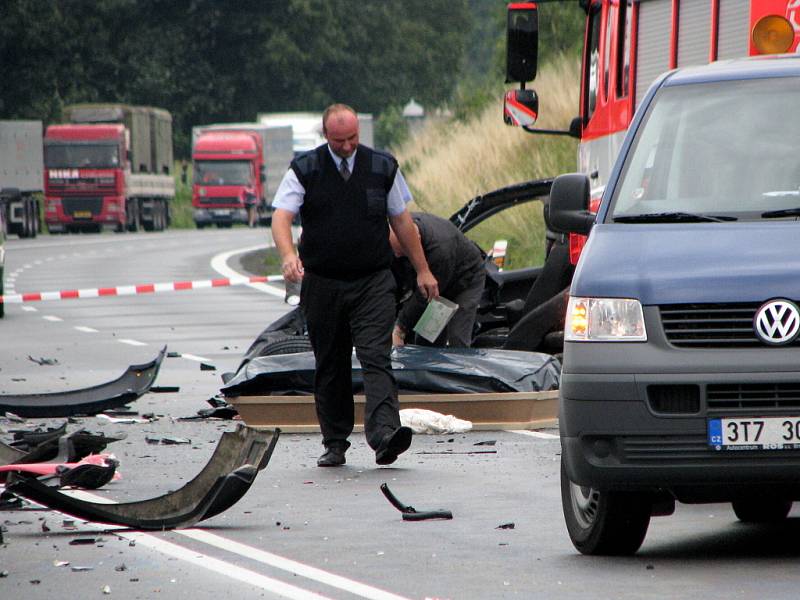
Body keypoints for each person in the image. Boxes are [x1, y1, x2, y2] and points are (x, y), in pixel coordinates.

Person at [271, 104, 438, 468]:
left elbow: (403, 223)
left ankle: (384, 437)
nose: (347, 147)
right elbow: (281, 216)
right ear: (325, 135)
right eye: (338, 141)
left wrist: (423, 269)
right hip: (323, 283)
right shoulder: (306, 169)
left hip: (372, 281)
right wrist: (287, 255)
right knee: (330, 363)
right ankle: (334, 441)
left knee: (376, 356)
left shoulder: (382, 167)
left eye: (352, 139)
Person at [390, 212, 485, 347]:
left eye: (402, 253)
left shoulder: (440, 250)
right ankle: (426, 367)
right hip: (438, 278)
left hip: (466, 279)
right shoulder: (400, 227)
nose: (397, 256)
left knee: (457, 338)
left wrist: (400, 329)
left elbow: (425, 295)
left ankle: (459, 365)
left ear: (414, 241)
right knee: (425, 340)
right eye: (395, 253)